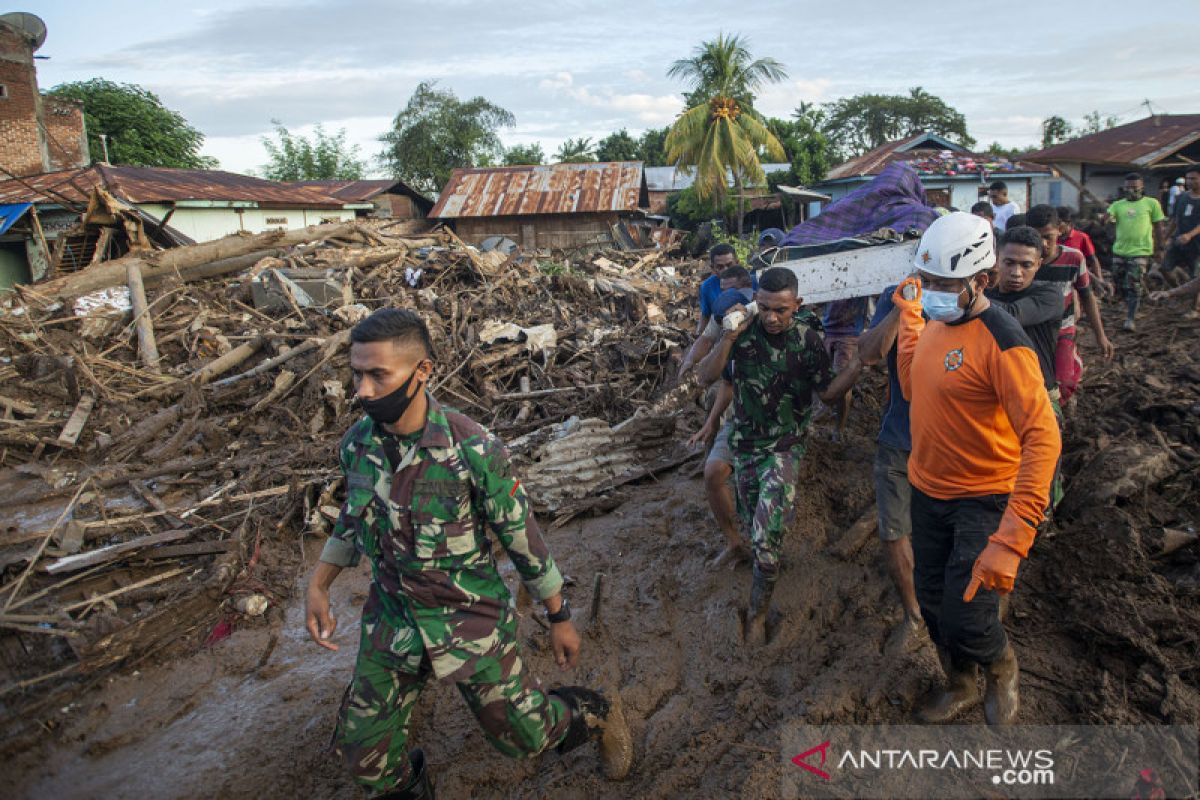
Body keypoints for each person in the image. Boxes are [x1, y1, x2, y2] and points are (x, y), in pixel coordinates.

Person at [306, 308, 631, 797]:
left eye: (378, 375)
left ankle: (594, 711)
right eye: (356, 374)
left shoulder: (472, 448)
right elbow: (354, 522)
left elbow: (523, 537)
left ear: (422, 372)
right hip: (392, 622)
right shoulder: (357, 447)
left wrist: (559, 614)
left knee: (526, 737)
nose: (363, 391)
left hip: (469, 620)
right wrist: (319, 583)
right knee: (365, 756)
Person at [893, 212, 1060, 727]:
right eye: (928, 282)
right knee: (934, 604)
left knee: (970, 613)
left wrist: (1012, 536)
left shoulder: (1005, 343)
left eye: (945, 285)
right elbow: (912, 388)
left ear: (980, 282)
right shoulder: (936, 320)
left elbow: (1043, 437)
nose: (933, 293)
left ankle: (1003, 667)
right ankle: (960, 682)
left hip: (985, 496)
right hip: (929, 491)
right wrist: (909, 321)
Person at [698, 267, 862, 646]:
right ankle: (761, 563)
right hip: (745, 444)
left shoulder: (807, 341)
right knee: (754, 525)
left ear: (797, 305)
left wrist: (856, 365)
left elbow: (829, 394)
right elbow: (708, 377)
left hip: (784, 448)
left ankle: (757, 612)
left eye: (782, 310)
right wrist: (728, 336)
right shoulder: (743, 333)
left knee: (766, 535)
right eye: (766, 308)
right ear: (758, 302)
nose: (773, 317)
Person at [687, 289, 757, 570]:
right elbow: (722, 383)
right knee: (713, 472)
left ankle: (764, 544)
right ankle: (734, 543)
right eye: (727, 320)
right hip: (740, 417)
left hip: (775, 420)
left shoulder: (769, 328)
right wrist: (712, 421)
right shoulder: (730, 343)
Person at [1027, 204, 1114, 402]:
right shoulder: (1024, 260)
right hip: (1031, 330)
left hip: (1063, 329)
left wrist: (1100, 335)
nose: (1043, 244)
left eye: (1048, 236)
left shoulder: (1073, 257)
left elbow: (1087, 296)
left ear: (1059, 230)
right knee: (1034, 382)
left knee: (1064, 383)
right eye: (1036, 237)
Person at [1106, 173, 1167, 331]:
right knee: (1119, 280)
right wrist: (1105, 218)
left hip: (1141, 251)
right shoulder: (1118, 205)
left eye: (1134, 187)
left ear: (1142, 188)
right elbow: (1108, 217)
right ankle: (1137, 299)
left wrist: (1160, 247)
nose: (1131, 190)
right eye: (1128, 188)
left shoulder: (1151, 203)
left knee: (1133, 283)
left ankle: (1130, 318)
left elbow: (1159, 227)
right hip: (1119, 250)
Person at [821, 296, 870, 437]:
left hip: (849, 333)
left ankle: (839, 429)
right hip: (828, 330)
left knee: (842, 383)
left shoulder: (862, 274)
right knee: (822, 377)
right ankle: (825, 414)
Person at [1056, 206, 1110, 295]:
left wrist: (1099, 279)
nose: (1056, 227)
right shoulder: (1052, 239)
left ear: (1068, 223)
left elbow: (1093, 260)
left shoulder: (1081, 238)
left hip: (1077, 280)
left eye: (1059, 223)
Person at [1163, 169, 1200, 283]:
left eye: (1193, 179)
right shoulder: (1181, 197)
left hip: (1197, 244)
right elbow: (1174, 220)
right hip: (1179, 241)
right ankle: (1177, 291)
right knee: (1164, 267)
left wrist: (1189, 235)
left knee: (1196, 277)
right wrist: (1164, 239)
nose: (1189, 181)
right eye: (1187, 178)